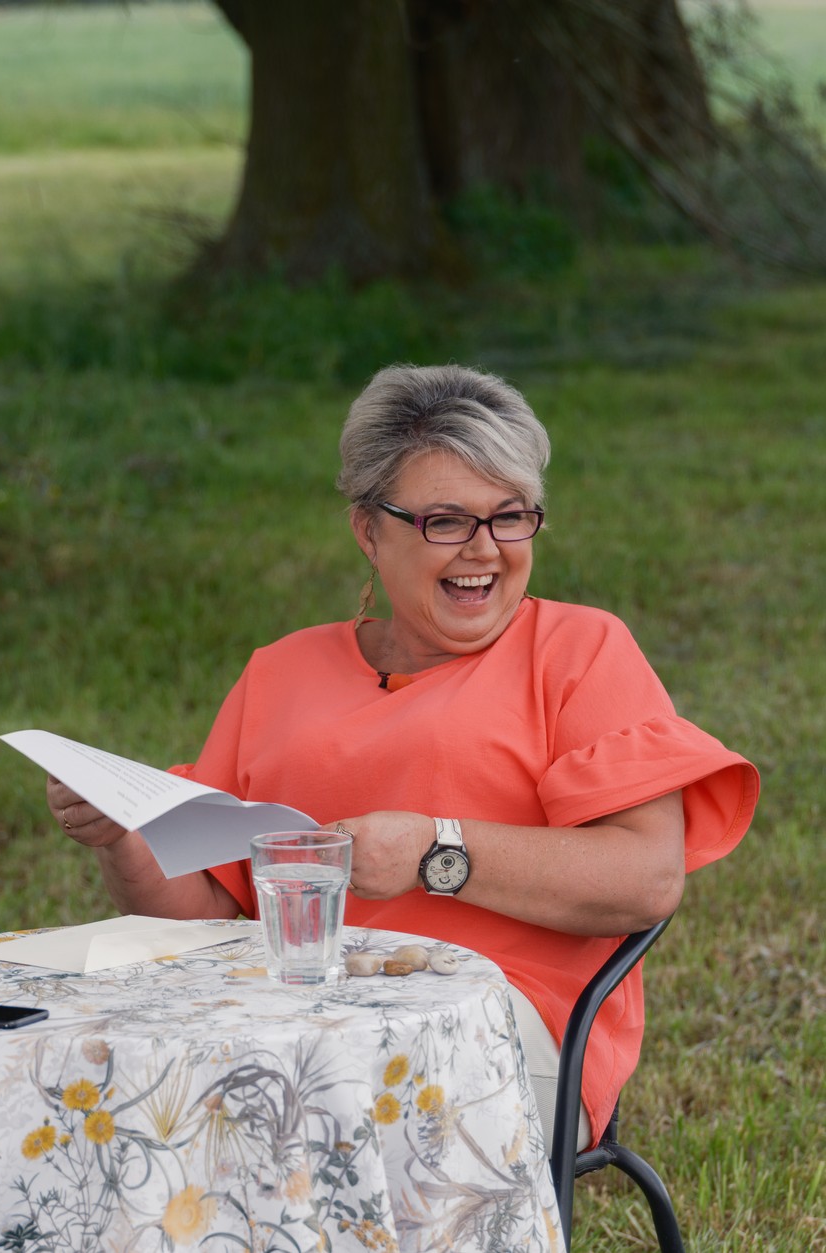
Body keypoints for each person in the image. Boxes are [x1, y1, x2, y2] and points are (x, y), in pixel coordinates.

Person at [45, 363, 757, 1154]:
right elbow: (211, 916)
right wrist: (124, 836)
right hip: (282, 1018)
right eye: (446, 522)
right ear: (369, 531)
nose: (484, 549)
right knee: (107, 1092)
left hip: (490, 1024)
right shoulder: (280, 671)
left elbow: (645, 880)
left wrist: (434, 850)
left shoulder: (579, 651)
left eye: (510, 516)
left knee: (291, 1109)